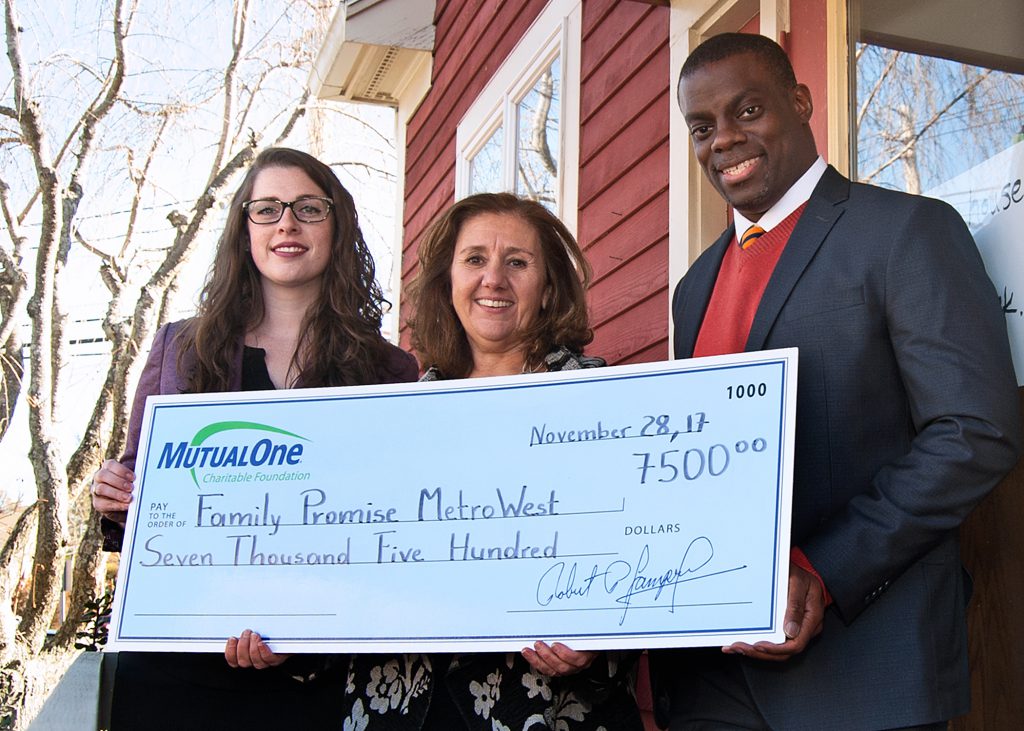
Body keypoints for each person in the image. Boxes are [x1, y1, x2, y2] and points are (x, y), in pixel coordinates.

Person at [651, 33, 1021, 730]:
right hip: (711, 682)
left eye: (749, 109)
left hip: (862, 670)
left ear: (801, 102)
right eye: (702, 127)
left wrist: (822, 569)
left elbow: (976, 430)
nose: (724, 139)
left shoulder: (907, 230)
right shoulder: (692, 288)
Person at [91, 146, 419, 730]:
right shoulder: (180, 350)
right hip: (175, 672)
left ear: (336, 225)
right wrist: (115, 495)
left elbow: (395, 534)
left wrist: (309, 627)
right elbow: (138, 505)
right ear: (244, 228)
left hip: (322, 680)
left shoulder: (389, 371)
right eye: (266, 209)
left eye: (308, 209)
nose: (286, 224)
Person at [325, 192, 641, 730]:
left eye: (517, 262)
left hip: (544, 704)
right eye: (474, 259)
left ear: (547, 290)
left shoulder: (605, 404)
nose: (493, 278)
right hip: (402, 703)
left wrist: (600, 635)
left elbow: (647, 549)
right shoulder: (390, 415)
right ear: (448, 284)